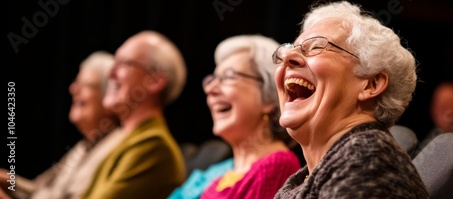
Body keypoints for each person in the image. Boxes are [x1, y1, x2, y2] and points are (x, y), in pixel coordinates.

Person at [272, 1, 430, 198]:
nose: (288, 57)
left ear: (371, 84)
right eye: (288, 49)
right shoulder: (308, 176)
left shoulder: (369, 158)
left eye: (316, 47)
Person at [172, 35, 301, 199]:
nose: (210, 89)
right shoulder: (220, 176)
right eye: (212, 79)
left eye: (229, 77)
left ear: (269, 96)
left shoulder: (277, 165)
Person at [0, 51, 121, 199]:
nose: (73, 89)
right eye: (76, 83)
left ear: (108, 96)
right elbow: (39, 188)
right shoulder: (83, 146)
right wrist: (8, 180)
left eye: (85, 85)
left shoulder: (116, 146)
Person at [81, 30, 187, 198]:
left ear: (154, 81)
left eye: (124, 63)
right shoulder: (128, 139)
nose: (110, 73)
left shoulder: (153, 146)